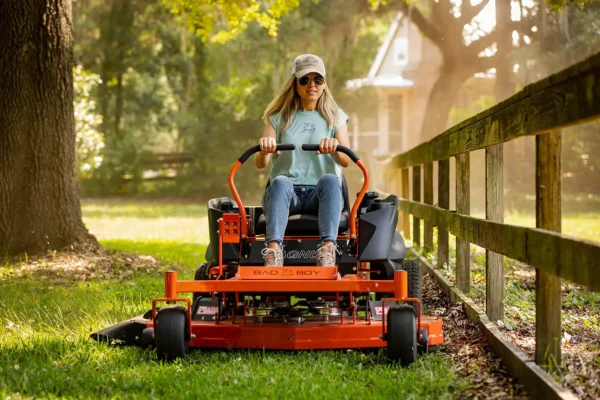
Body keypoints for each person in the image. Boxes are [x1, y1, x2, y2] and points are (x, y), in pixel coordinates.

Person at [255, 54, 351, 267]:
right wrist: (265, 149)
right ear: (295, 84)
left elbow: (345, 160)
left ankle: (327, 250)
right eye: (304, 80)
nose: (311, 85)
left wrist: (335, 149)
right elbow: (261, 162)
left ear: (324, 83)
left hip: (321, 194)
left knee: (329, 179)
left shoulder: (335, 117)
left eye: (317, 79)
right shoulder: (278, 117)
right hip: (289, 194)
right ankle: (273, 252)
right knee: (280, 180)